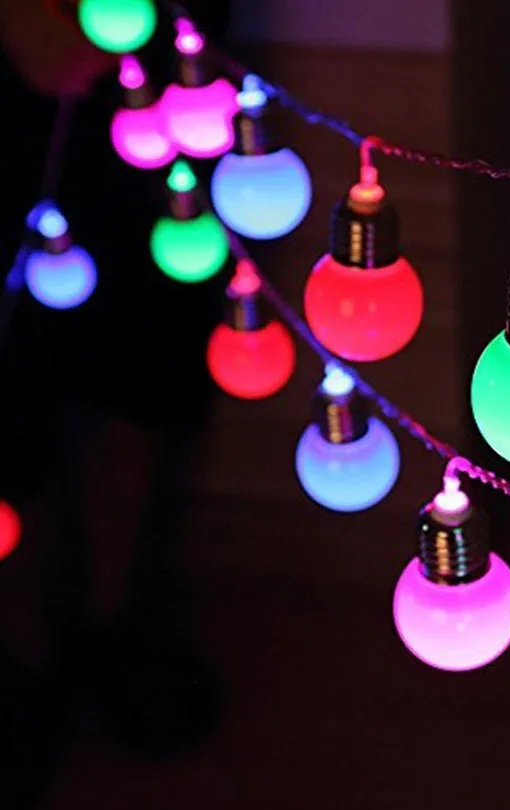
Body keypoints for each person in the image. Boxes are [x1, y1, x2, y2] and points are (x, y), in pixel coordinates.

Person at [0, 0, 230, 803]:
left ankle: (116, 624)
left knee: (148, 337)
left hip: (157, 55)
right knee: (12, 364)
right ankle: (22, 651)